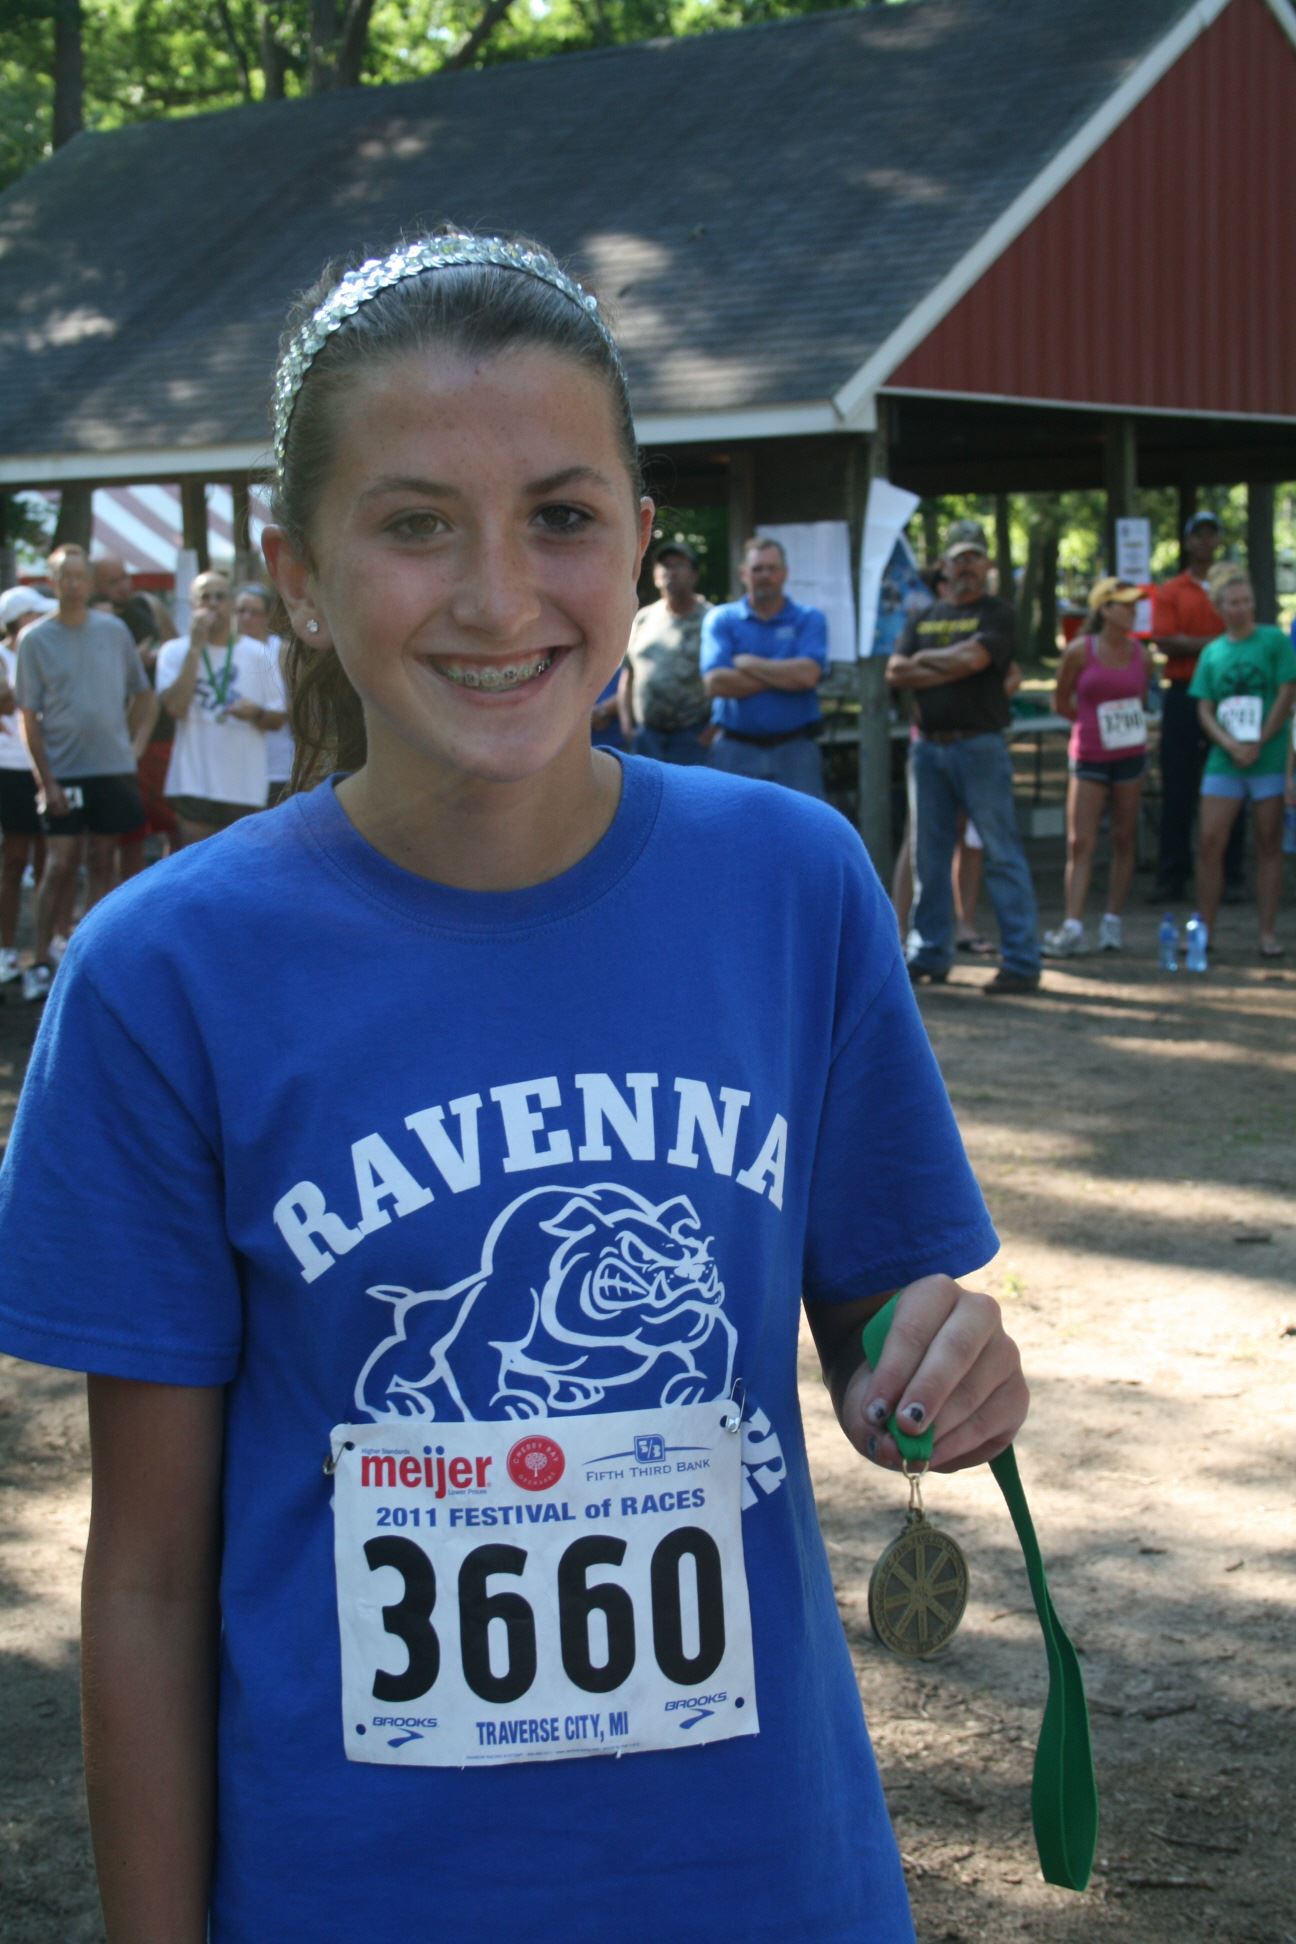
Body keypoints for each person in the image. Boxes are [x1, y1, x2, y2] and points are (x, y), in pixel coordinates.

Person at [0, 230, 1027, 1944]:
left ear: (638, 540)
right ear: (300, 575)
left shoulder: (794, 886)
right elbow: (154, 1583)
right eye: (415, 523)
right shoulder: (164, 974)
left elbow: (877, 1328)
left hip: (764, 1883)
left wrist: (935, 1369)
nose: (496, 596)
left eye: (560, 515)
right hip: (352, 1893)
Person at [886, 520, 1042, 994]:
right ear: (945, 566)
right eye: (960, 559)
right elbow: (896, 671)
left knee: (1001, 853)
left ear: (988, 564)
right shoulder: (923, 616)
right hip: (928, 748)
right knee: (927, 855)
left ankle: (1021, 961)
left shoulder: (998, 613)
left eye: (976, 557)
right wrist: (952, 663)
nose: (967, 566)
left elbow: (976, 661)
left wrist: (928, 664)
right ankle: (930, 952)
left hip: (980, 746)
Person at [14, 544, 154, 1002]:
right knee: (59, 863)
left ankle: (90, 958)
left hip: (111, 769)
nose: (73, 584)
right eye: (64, 576)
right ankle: (38, 959)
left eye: (79, 576)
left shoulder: (114, 631)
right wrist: (46, 780)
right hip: (64, 771)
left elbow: (143, 694)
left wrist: (131, 746)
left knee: (103, 860)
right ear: (51, 582)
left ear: (90, 583)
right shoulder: (35, 639)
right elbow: (28, 716)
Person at [1189, 566, 1296, 959]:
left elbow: (1287, 693)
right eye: (1233, 602)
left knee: (1268, 841)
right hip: (1225, 761)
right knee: (1209, 841)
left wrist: (1260, 740)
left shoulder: (1274, 641)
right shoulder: (1212, 652)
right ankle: (1205, 930)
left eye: (1246, 601)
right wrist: (1231, 745)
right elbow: (1204, 708)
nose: (1241, 608)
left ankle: (1267, 933)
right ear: (1220, 607)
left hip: (1268, 759)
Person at [1042, 578, 1151, 958]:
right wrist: (1089, 725)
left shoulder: (1141, 654)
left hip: (1130, 755)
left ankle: (1112, 920)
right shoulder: (1079, 651)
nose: (1132, 611)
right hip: (1089, 755)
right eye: (1124, 604)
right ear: (1104, 609)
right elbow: (1061, 700)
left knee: (1124, 836)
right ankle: (1073, 924)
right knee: (1080, 840)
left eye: (1134, 604)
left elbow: (1140, 698)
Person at [1148, 512, 1245, 903]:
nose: (1205, 542)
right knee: (1178, 787)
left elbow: (1243, 634)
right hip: (1184, 693)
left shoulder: (1233, 589)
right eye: (1198, 535)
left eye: (1211, 534)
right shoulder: (1172, 590)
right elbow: (1166, 641)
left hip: (1228, 694)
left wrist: (1194, 643)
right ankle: (1173, 875)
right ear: (1188, 542)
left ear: (1219, 541)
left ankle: (1231, 875)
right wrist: (1219, 643)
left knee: (1232, 781)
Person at [157, 569, 288, 845]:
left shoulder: (258, 653)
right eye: (205, 597)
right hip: (192, 781)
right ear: (192, 604)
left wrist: (256, 713)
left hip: (244, 784)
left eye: (220, 597)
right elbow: (176, 708)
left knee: (241, 862)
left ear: (231, 604)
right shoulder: (173, 652)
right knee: (194, 861)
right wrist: (195, 649)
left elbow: (278, 719)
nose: (213, 604)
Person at [700, 537, 828, 796]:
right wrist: (785, 676)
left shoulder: (809, 619)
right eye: (757, 569)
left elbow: (807, 676)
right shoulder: (721, 619)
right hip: (734, 750)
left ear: (785, 573)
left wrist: (747, 663)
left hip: (796, 751)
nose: (765, 575)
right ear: (743, 574)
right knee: (730, 822)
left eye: (772, 568)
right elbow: (716, 683)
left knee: (802, 822)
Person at [0, 584, 56, 983]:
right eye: (35, 614)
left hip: (49, 766)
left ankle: (42, 951)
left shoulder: (45, 651)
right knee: (15, 858)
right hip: (11, 769)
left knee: (47, 862)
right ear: (17, 621)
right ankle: (6, 952)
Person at [617, 539, 712, 763]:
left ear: (694, 575)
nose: (670, 571)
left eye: (678, 565)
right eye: (664, 565)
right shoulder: (642, 618)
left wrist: (713, 730)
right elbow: (628, 675)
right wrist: (626, 724)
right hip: (646, 737)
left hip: (693, 736)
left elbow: (724, 679)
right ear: (655, 575)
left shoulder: (711, 619)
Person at [234, 582, 294, 804]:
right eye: (241, 611)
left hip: (275, 758)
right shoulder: (227, 650)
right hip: (234, 759)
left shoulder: (281, 650)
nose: (246, 618)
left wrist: (263, 713)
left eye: (254, 612)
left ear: (267, 616)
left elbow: (297, 703)